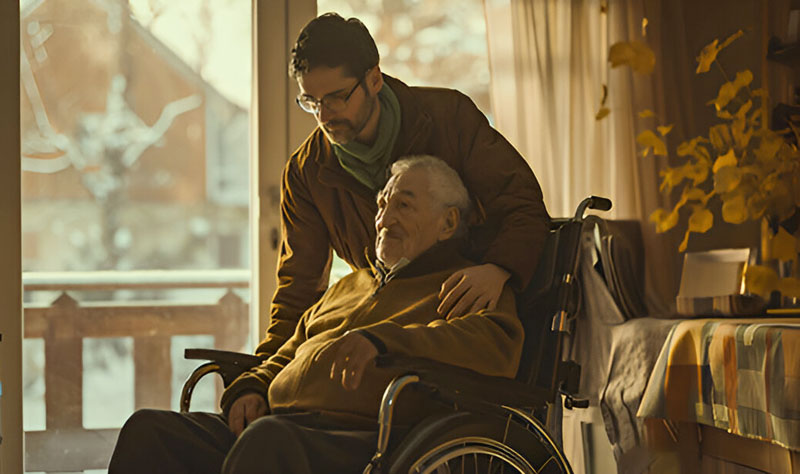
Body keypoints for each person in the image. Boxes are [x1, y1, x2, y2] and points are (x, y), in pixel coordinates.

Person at [108, 156, 524, 474]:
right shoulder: (350, 285)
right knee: (149, 431)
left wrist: (384, 339)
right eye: (381, 205)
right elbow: (289, 353)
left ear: (448, 222)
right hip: (283, 424)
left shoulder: (465, 284)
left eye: (404, 205)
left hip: (367, 439)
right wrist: (251, 387)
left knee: (268, 441)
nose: (384, 219)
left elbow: (496, 346)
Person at [261, 12, 550, 359]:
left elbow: (522, 203)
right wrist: (258, 376)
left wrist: (499, 268)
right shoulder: (306, 172)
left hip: (465, 317)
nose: (324, 116)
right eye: (312, 102)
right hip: (385, 330)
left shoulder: (450, 118)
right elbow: (297, 289)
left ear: (374, 80)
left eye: (337, 97)